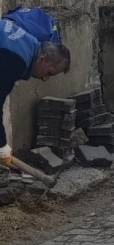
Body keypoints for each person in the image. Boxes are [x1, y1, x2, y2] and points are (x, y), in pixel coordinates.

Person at [0, 19, 71, 166]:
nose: (45, 79)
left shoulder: (30, 42)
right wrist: (2, 145)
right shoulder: (16, 60)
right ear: (42, 58)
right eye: (49, 73)